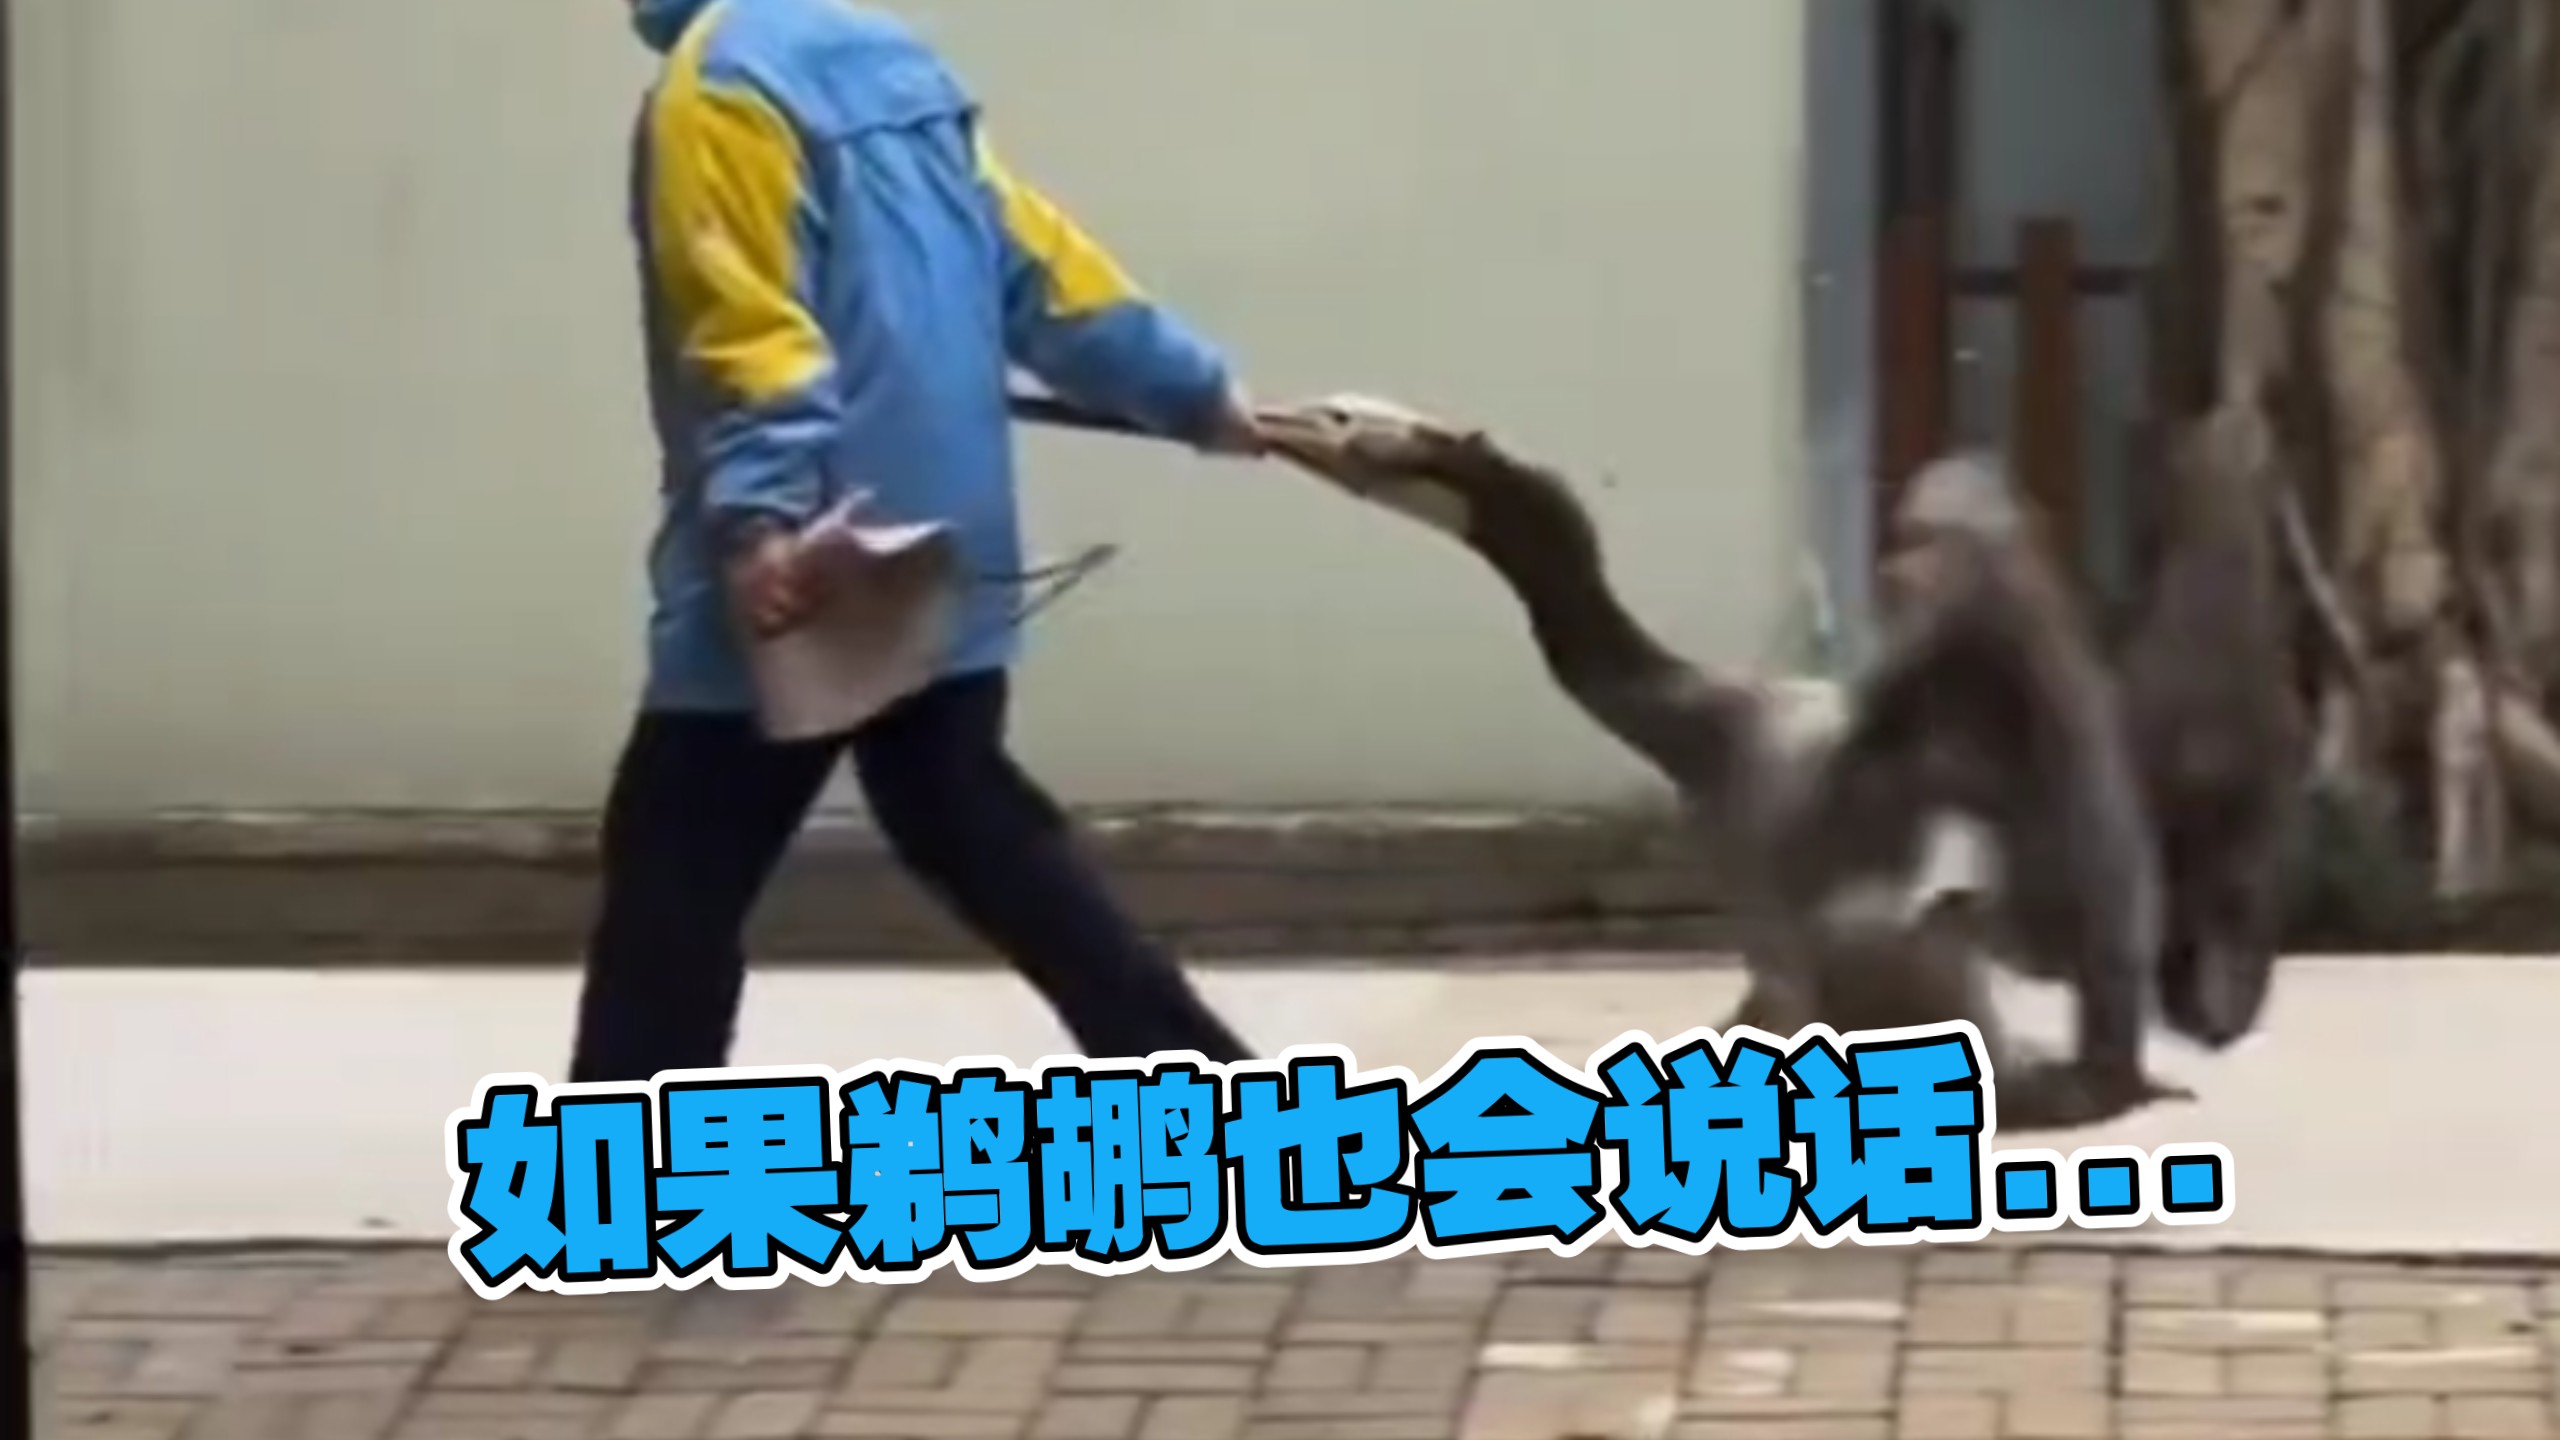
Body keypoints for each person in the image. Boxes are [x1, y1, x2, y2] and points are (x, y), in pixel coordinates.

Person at [571, 0, 1263, 1083]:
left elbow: (748, 324)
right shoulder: (894, 63)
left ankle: (625, 1157)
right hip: (943, 537)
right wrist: (1190, 390)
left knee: (676, 870)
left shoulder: (723, 87)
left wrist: (760, 523)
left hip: (822, 551)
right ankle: (1216, 1099)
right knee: (974, 824)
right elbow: (1042, 267)